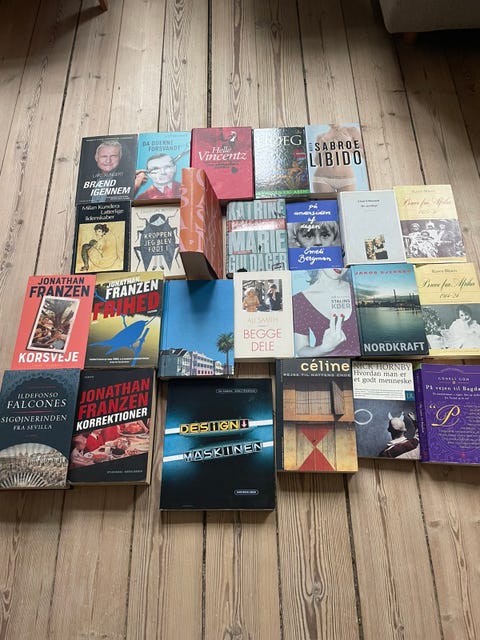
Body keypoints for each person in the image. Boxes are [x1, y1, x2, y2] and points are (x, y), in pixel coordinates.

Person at [293, 268, 359, 356]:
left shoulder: (359, 290)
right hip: (327, 363)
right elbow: (301, 350)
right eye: (334, 260)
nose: (340, 267)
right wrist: (323, 349)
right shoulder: (299, 300)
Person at [311, 124, 364, 193]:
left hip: (346, 179)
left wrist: (348, 144)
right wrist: (322, 148)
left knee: (347, 200)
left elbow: (364, 154)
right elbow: (317, 162)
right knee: (325, 201)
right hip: (322, 179)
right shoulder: (321, 136)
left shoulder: (351, 131)